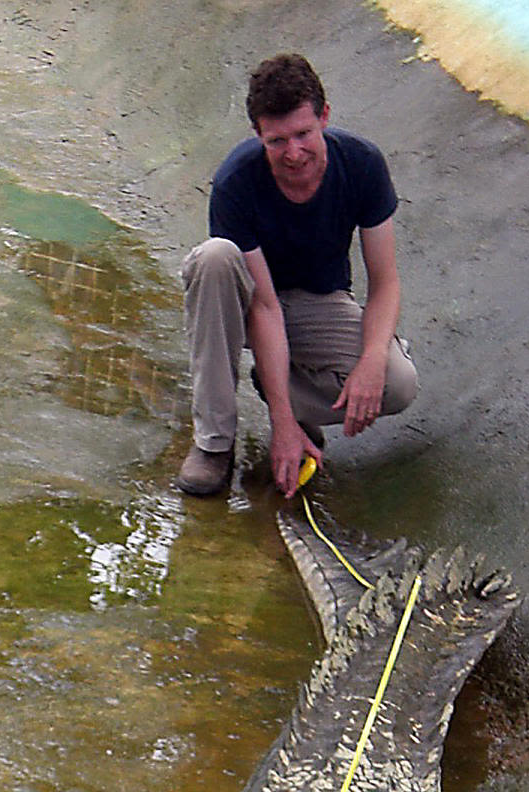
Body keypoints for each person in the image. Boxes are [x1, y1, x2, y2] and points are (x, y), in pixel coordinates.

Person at [177, 52, 419, 499]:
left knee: (398, 383)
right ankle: (214, 441)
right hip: (247, 300)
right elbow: (265, 307)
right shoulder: (235, 181)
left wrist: (370, 359)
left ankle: (277, 390)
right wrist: (282, 428)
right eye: (276, 141)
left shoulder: (362, 164)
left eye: (304, 134)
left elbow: (385, 283)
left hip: (316, 300)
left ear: (324, 117)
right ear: (258, 134)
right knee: (214, 258)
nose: (293, 153)